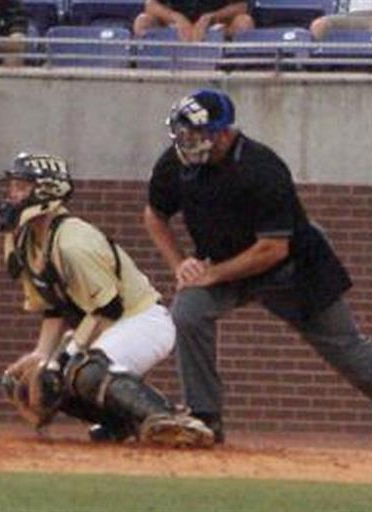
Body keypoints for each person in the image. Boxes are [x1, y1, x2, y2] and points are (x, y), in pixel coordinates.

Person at [143, 89, 372, 443]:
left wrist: (213, 273)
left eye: (195, 134)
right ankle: (204, 417)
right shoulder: (176, 163)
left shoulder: (261, 168)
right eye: (182, 133)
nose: (186, 142)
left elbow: (273, 249)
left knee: (348, 351)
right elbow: (154, 215)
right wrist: (180, 264)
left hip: (292, 268)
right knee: (188, 313)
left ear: (221, 132)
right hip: (224, 263)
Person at [0, 152, 214, 448]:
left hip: (141, 321)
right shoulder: (21, 241)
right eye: (13, 187)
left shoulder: (73, 241)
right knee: (38, 380)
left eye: (22, 187)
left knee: (82, 371)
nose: (12, 195)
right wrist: (40, 356)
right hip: (103, 324)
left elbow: (108, 309)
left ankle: (170, 418)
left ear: (47, 191)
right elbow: (53, 309)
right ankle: (122, 423)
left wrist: (59, 361)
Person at [133, 0, 253, 42]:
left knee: (244, 22)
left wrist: (212, 17)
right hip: (175, 26)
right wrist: (176, 18)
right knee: (143, 21)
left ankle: (230, 67)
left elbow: (242, 6)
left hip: (216, 25)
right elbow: (150, 5)